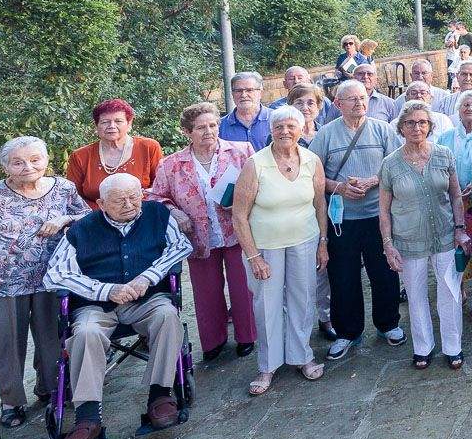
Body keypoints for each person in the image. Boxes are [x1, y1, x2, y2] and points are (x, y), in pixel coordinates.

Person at [42, 173, 193, 439]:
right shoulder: (81, 230)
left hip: (146, 299)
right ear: (100, 204)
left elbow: (182, 246)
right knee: (85, 333)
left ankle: (160, 395)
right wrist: (105, 290)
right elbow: (55, 274)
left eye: (134, 197)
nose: (129, 204)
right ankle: (88, 416)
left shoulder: (158, 215)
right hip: (96, 306)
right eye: (119, 200)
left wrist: (149, 277)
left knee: (167, 316)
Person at [0, 137, 87, 429]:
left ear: (46, 160)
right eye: (18, 162)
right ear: (5, 166)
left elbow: (86, 219)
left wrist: (63, 219)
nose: (28, 167)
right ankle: (11, 401)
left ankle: (51, 388)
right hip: (1, 282)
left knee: (52, 337)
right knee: (7, 342)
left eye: (35, 160)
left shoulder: (64, 189)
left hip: (51, 277)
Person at [146, 103, 256, 361]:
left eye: (213, 125)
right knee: (206, 291)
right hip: (197, 236)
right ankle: (213, 341)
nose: (209, 131)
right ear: (187, 132)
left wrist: (242, 202)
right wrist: (176, 213)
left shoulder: (242, 152)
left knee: (243, 287)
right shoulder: (171, 164)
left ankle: (247, 336)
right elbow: (155, 197)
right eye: (200, 128)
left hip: (237, 231)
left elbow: (260, 185)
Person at [231, 106, 328, 396]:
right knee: (267, 305)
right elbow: (239, 215)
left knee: (303, 298)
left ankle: (302, 356)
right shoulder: (255, 164)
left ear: (301, 129)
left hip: (305, 240)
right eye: (279, 127)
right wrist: (253, 256)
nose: (285, 132)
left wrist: (323, 242)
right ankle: (268, 365)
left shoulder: (311, 160)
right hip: (265, 247)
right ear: (271, 130)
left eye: (291, 126)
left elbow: (319, 203)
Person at [310, 79, 406, 360]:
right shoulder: (326, 134)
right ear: (338, 104)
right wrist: (339, 187)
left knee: (384, 272)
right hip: (341, 220)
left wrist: (373, 180)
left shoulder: (382, 129)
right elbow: (313, 175)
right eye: (352, 99)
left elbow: (396, 164)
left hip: (378, 215)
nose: (359, 103)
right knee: (343, 276)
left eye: (362, 98)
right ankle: (347, 332)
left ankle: (388, 324)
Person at [380, 102, 469, 370]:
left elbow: (456, 196)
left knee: (450, 292)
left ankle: (453, 347)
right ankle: (423, 348)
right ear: (401, 128)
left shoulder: (444, 155)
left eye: (422, 122)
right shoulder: (390, 163)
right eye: (410, 123)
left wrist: (460, 229)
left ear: (430, 126)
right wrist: (388, 244)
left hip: (445, 235)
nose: (417, 127)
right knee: (416, 295)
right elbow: (383, 210)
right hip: (408, 239)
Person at [287, 82, 334, 340]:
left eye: (311, 103)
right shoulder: (282, 135)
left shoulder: (327, 133)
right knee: (296, 273)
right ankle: (298, 323)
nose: (305, 108)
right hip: (295, 212)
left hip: (327, 208)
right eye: (299, 103)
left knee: (323, 265)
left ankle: (325, 316)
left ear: (319, 106)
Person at [440, 90, 472, 320]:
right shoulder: (446, 136)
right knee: (457, 248)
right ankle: (459, 289)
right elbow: (438, 166)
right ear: (459, 110)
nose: (470, 108)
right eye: (466, 105)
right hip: (453, 202)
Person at [65, 99, 164, 209]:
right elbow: (73, 196)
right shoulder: (80, 156)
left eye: (118, 121)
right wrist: (107, 212)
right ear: (96, 126)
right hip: (96, 215)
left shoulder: (149, 147)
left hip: (141, 212)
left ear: (129, 124)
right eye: (105, 122)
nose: (112, 126)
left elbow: (160, 188)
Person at [325, 63, 399, 124]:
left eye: (370, 74)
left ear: (376, 79)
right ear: (353, 78)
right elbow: (328, 129)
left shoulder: (389, 104)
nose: (365, 77)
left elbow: (397, 131)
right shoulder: (340, 103)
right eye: (360, 74)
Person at [220, 71, 273, 151]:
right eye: (238, 91)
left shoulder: (277, 120)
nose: (244, 95)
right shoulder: (220, 126)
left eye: (249, 90)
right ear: (232, 94)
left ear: (260, 93)